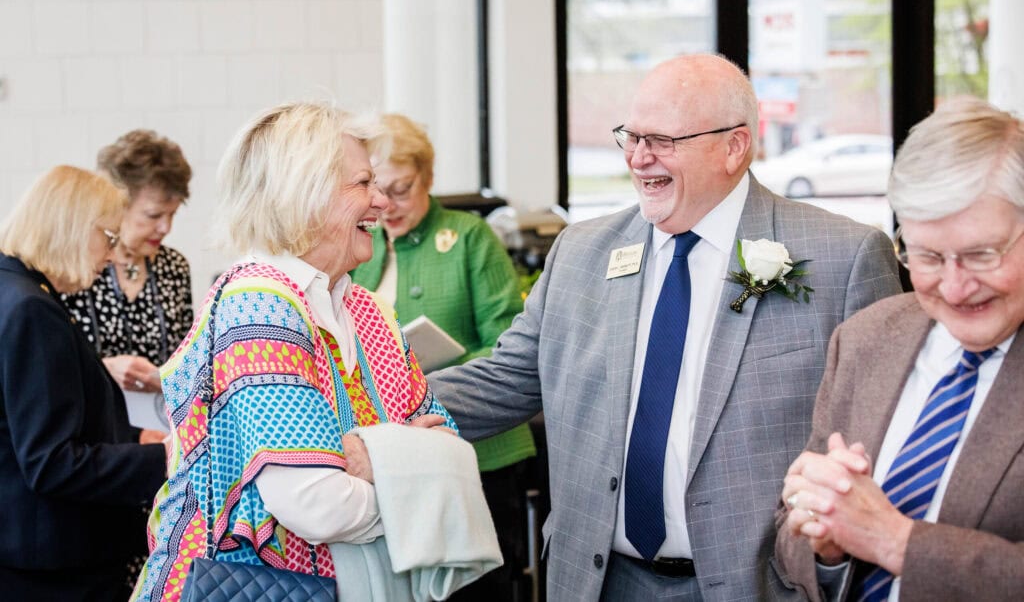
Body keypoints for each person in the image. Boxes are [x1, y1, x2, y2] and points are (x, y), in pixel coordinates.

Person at [429, 53, 903, 601]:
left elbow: (878, 431)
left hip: (761, 583)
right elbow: (510, 377)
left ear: (734, 146)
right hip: (599, 580)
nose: (638, 158)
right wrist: (368, 400)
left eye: (661, 141)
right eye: (630, 137)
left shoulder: (842, 257)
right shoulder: (582, 252)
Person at [131, 103, 465, 602]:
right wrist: (406, 468)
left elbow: (453, 451)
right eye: (362, 184)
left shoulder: (368, 311)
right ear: (303, 194)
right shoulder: (257, 307)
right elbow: (317, 506)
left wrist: (369, 457)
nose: (379, 201)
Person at [775, 97, 1024, 601]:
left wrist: (896, 542)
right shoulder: (866, 338)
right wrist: (826, 543)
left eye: (981, 254)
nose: (954, 289)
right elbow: (790, 541)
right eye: (928, 256)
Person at [351, 113, 536, 600]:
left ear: (428, 179)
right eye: (376, 188)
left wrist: (425, 378)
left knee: (482, 590)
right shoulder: (359, 244)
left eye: (402, 188)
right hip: (398, 454)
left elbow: (511, 344)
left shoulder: (469, 237)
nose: (388, 205)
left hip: (480, 449)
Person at [0, 165, 167, 600]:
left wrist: (135, 438)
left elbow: (38, 424)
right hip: (53, 565)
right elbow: (52, 462)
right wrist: (166, 459)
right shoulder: (31, 310)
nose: (112, 255)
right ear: (72, 228)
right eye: (109, 238)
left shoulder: (12, 289)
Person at [62, 129, 194, 394]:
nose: (166, 227)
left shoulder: (174, 266)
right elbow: (51, 363)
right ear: (117, 204)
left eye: (172, 214)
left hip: (158, 429)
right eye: (153, 215)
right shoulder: (77, 267)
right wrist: (103, 368)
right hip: (95, 426)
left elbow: (188, 359)